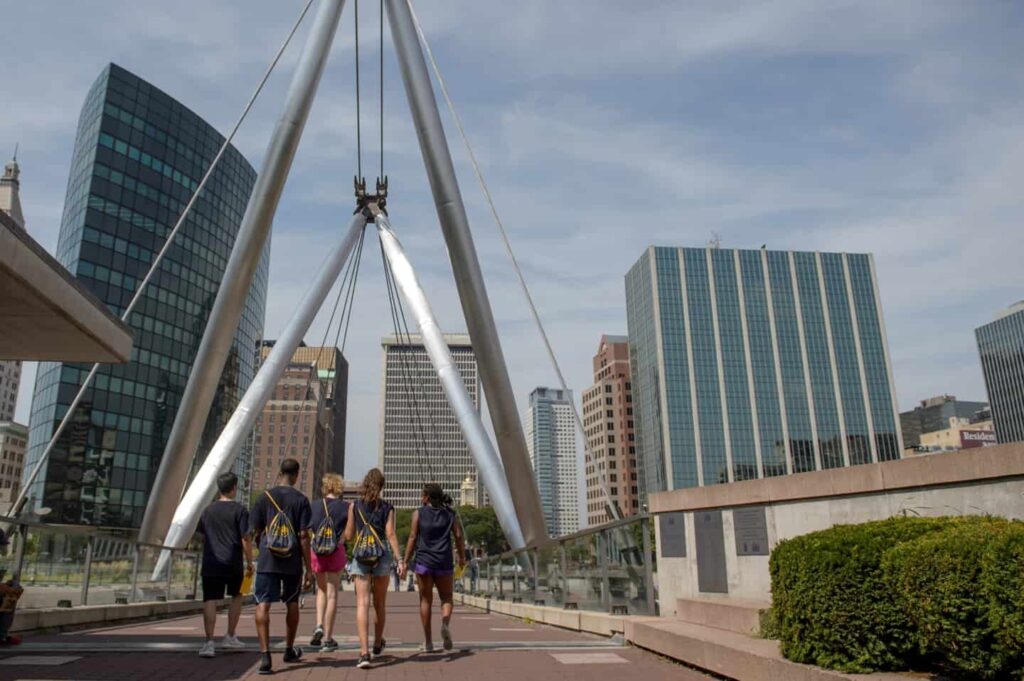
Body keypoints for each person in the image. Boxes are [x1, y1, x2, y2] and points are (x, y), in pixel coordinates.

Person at [250, 458, 313, 675]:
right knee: (292, 603)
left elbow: (255, 531)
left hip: (268, 560)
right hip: (292, 560)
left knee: (262, 604)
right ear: (296, 475)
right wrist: (309, 567)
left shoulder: (264, 498)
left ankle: (265, 655)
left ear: (280, 473)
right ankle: (288, 649)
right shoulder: (301, 500)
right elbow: (304, 536)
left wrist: (262, 550)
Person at [342, 468, 403, 670]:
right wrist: (400, 559)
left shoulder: (354, 506)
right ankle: (378, 642)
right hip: (382, 557)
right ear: (382, 486)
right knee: (380, 603)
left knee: (362, 603)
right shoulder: (387, 507)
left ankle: (364, 652)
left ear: (365, 483)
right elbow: (391, 534)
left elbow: (349, 536)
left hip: (360, 557)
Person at [402, 484, 466, 653]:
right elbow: (459, 536)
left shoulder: (418, 513)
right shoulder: (450, 514)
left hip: (424, 563)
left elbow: (413, 537)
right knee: (446, 598)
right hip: (444, 562)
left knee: (425, 601)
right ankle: (445, 624)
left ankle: (428, 643)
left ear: (427, 498)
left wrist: (405, 560)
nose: (420, 498)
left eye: (422, 495)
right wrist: (462, 557)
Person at [196, 472, 252, 658]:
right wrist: (250, 561)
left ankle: (208, 642)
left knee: (210, 600)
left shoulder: (207, 510)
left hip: (211, 562)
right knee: (237, 596)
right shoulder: (240, 510)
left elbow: (202, 537)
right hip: (233, 562)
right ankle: (230, 635)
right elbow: (246, 538)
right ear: (234, 487)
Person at [308, 473, 349, 652]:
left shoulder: (314, 506)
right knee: (332, 593)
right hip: (336, 550)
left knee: (321, 590)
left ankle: (318, 624)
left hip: (317, 551)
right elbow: (348, 534)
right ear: (339, 487)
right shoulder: (347, 507)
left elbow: (309, 528)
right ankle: (328, 639)